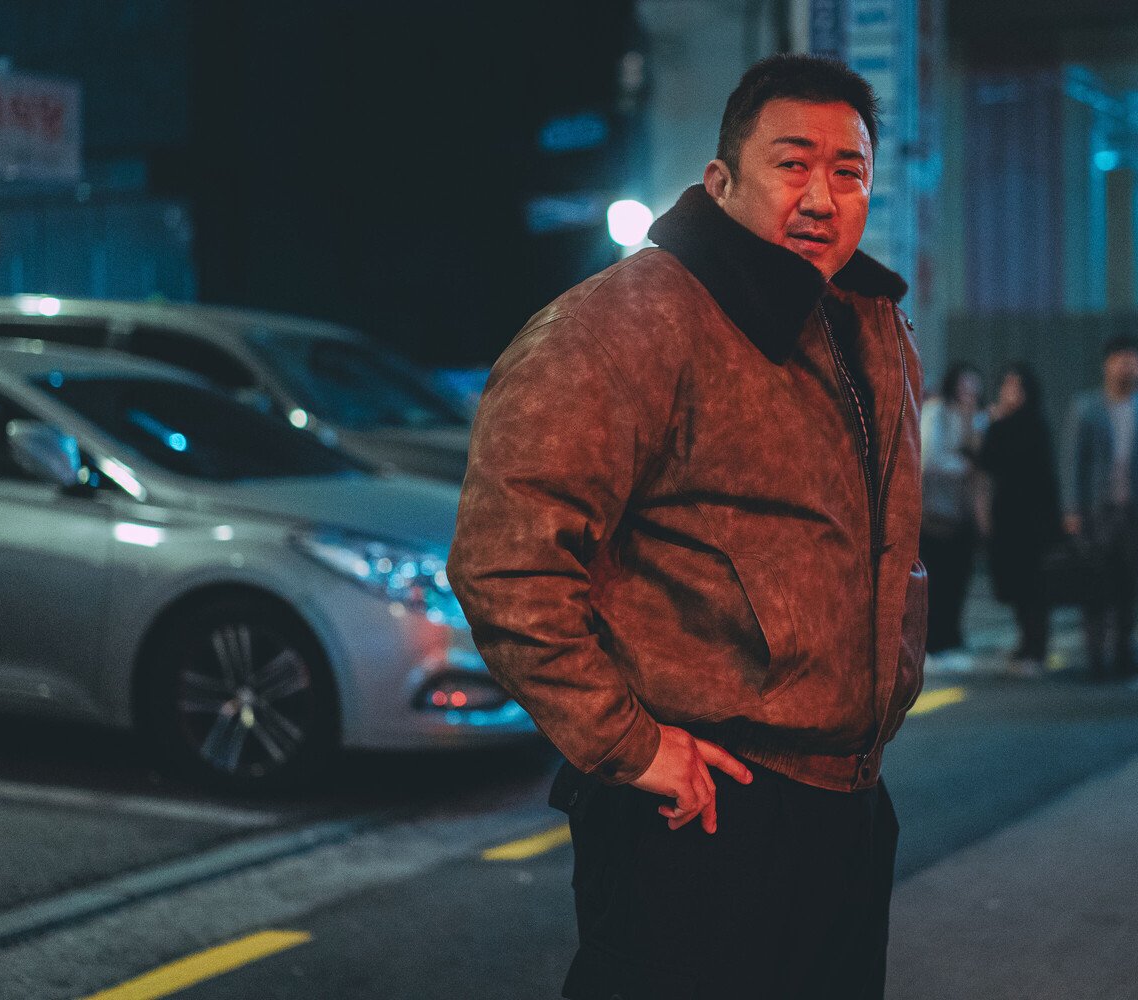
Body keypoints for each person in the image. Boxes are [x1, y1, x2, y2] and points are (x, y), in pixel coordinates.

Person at [448, 54, 926, 1000]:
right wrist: (631, 746)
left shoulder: (867, 322)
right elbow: (507, 565)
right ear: (721, 180)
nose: (822, 196)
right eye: (793, 164)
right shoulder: (628, 319)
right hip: (700, 812)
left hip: (846, 806)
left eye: (849, 171)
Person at [1061, 335, 1138, 680]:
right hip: (1098, 511)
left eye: (1134, 360)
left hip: (1136, 512)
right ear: (1106, 364)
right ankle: (1095, 656)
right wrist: (1072, 509)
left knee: (1130, 586)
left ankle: (1125, 653)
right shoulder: (1086, 407)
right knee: (1095, 585)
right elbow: (1073, 462)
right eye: (1120, 359)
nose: (1126, 366)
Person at [976, 363, 1061, 677]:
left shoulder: (1036, 424)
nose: (1009, 392)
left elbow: (1046, 475)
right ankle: (1026, 642)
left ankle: (1036, 647)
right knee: (1013, 583)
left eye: (1016, 386)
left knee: (1034, 585)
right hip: (1007, 515)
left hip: (1033, 517)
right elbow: (986, 463)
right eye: (1006, 385)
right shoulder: (999, 425)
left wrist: (1056, 521)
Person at [920, 362, 984, 672]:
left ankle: (949, 640)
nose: (969, 392)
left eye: (974, 386)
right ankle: (932, 645)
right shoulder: (937, 413)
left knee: (956, 582)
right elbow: (928, 459)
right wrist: (963, 467)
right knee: (935, 583)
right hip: (935, 512)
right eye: (964, 385)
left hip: (962, 514)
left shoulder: (975, 418)